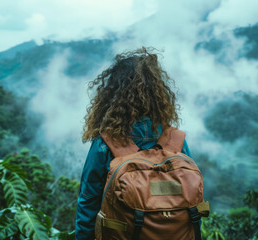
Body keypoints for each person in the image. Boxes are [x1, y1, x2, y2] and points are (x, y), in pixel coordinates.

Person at [75, 47, 192, 240]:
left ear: (113, 94)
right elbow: (191, 201)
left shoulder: (106, 142)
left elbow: (88, 201)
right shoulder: (175, 140)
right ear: (158, 93)